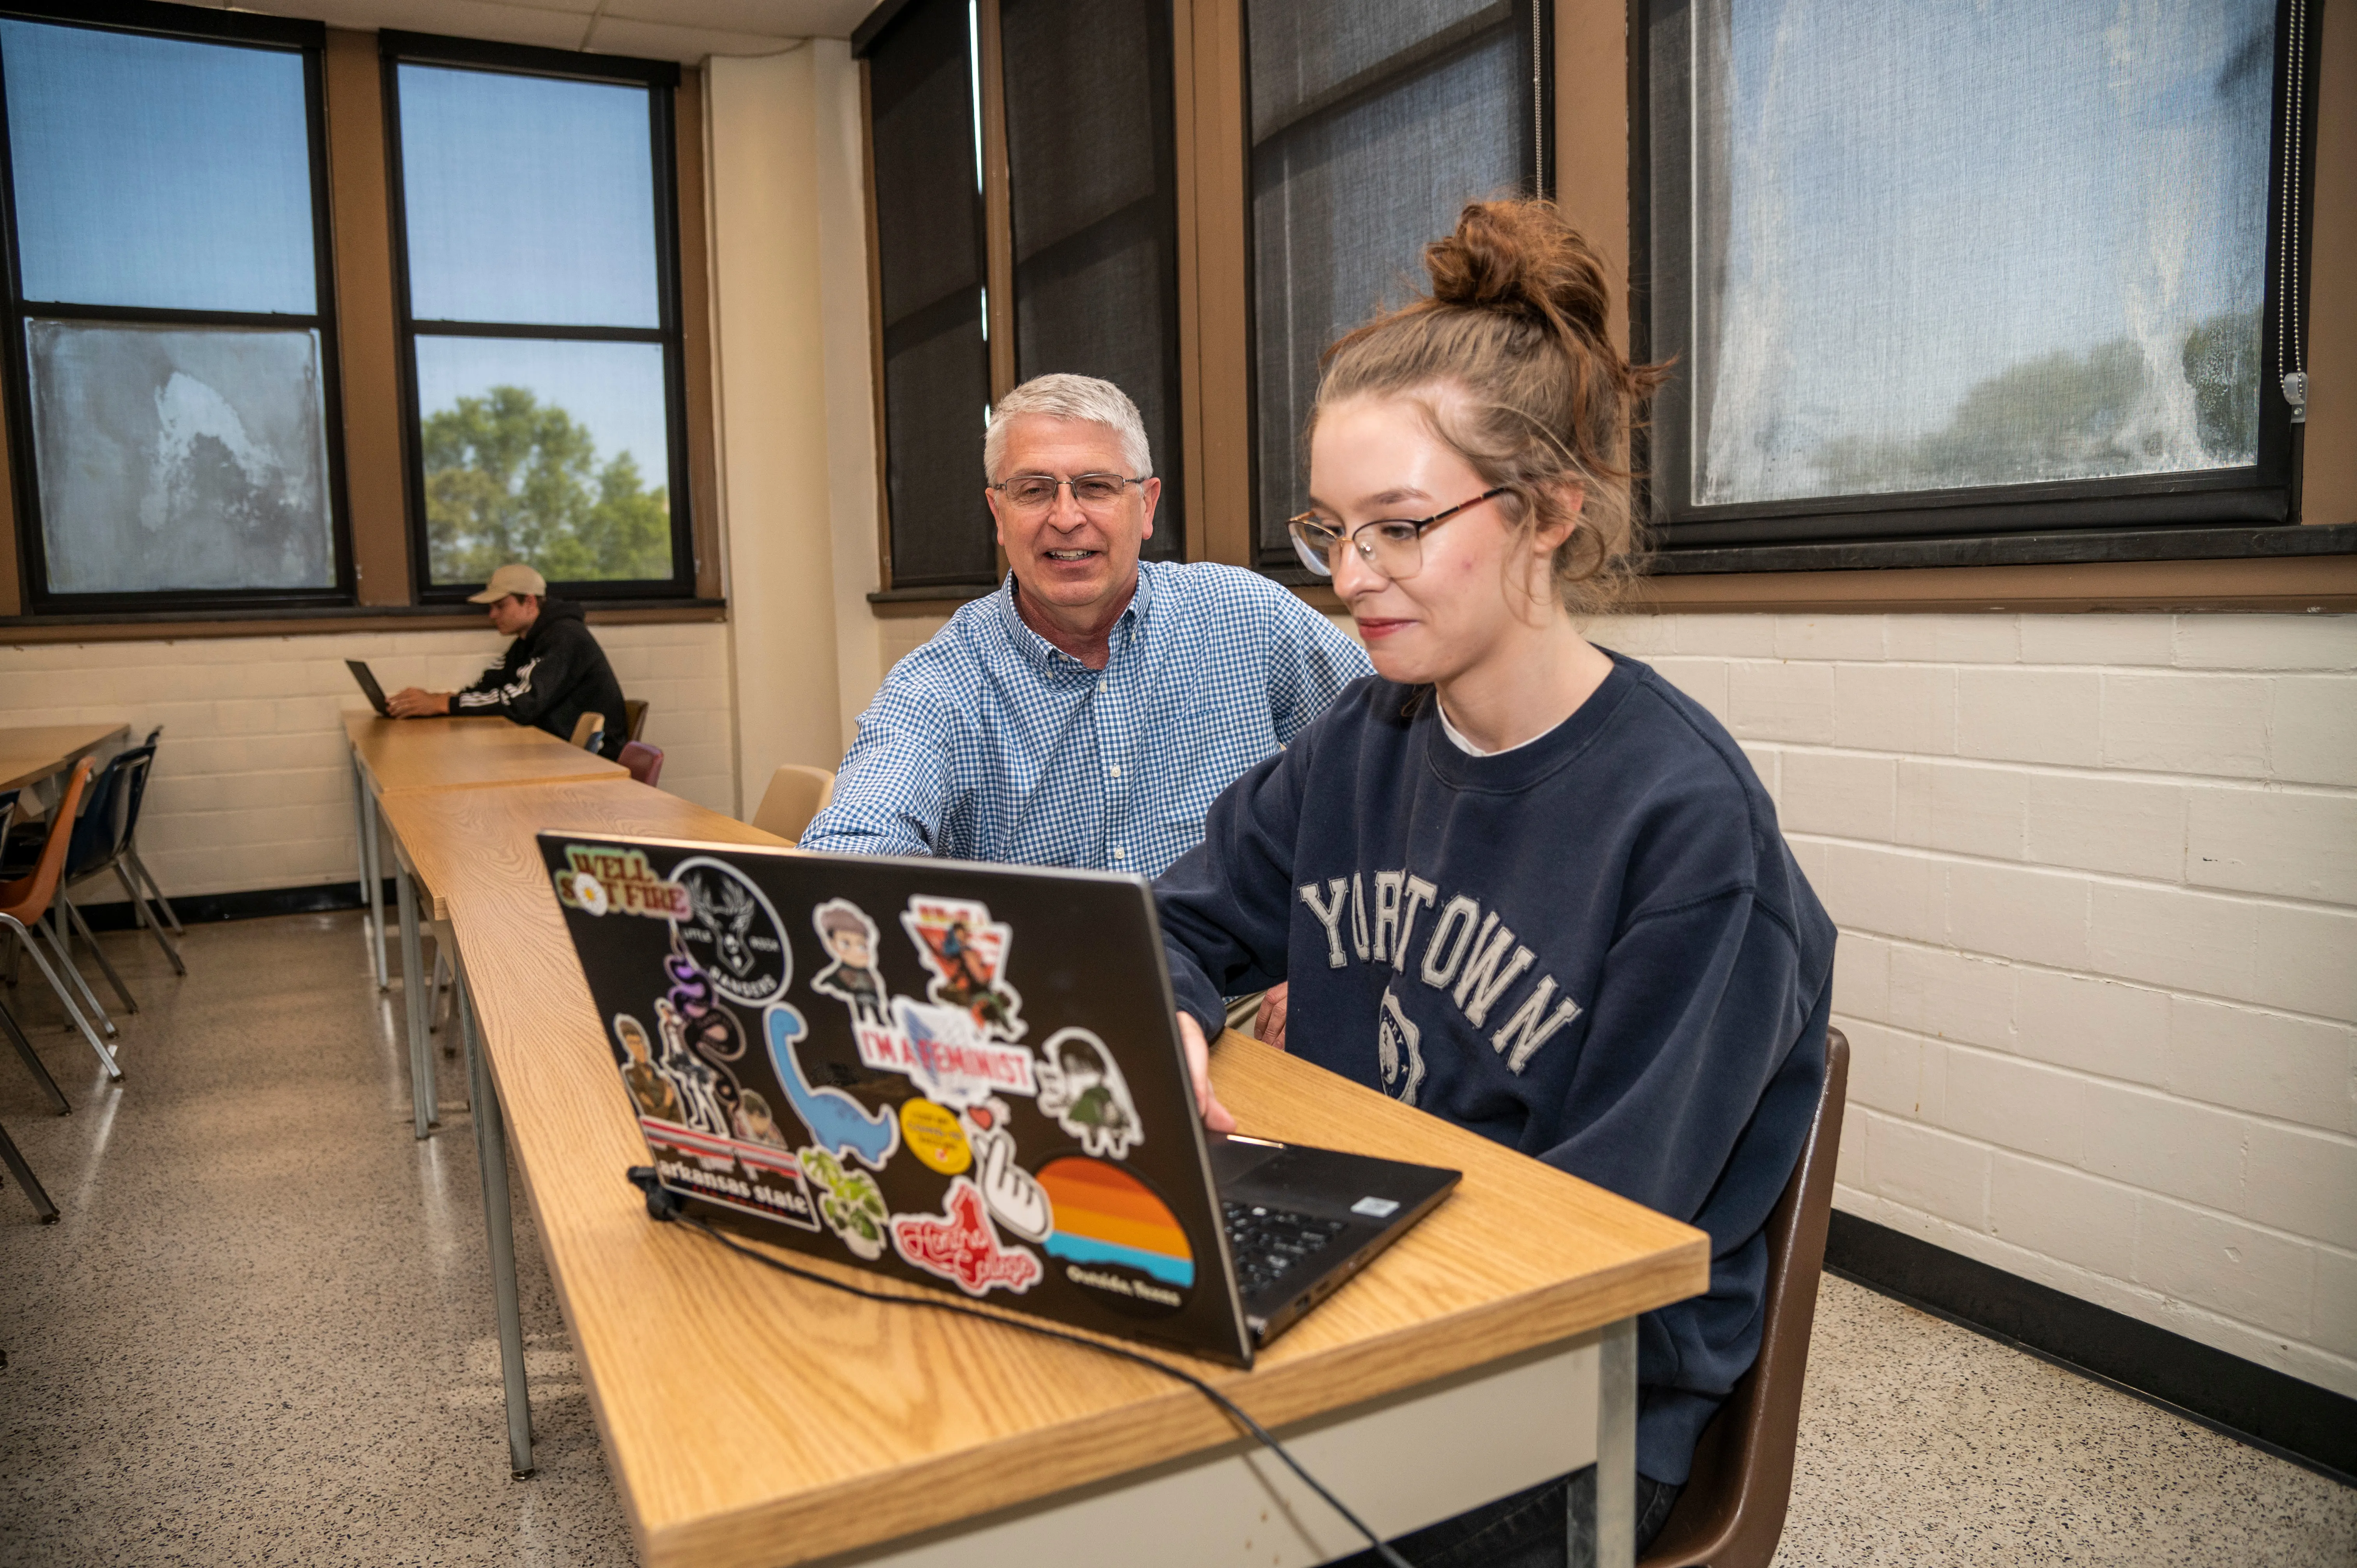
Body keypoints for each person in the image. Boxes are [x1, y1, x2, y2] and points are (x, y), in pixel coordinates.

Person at [1154, 199, 1836, 1566]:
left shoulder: (1688, 832)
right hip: (1367, 1290)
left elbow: (1591, 1256)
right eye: (1329, 530)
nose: (1350, 577)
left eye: (1398, 528)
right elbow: (1170, 919)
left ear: (1544, 514)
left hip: (1561, 1400)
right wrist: (1168, 1017)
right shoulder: (1359, 739)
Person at [797, 374, 1371, 882]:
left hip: (1244, 991)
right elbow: (852, 855)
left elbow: (1396, 751)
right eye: (1034, 490)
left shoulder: (1247, 617)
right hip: (1054, 1000)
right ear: (999, 515)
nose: (1067, 518)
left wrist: (1325, 938)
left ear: (1147, 507)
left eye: (1096, 486)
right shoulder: (939, 686)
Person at [386, 563, 630, 761]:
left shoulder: (565, 637)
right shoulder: (526, 641)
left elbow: (521, 704)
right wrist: (439, 702)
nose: (492, 615)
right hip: (554, 753)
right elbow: (489, 686)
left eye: (500, 606)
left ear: (531, 602)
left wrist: (443, 704)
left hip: (590, 761)